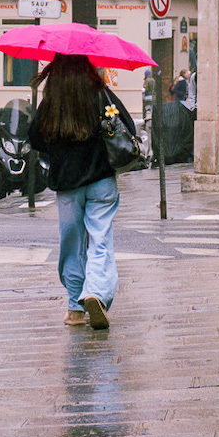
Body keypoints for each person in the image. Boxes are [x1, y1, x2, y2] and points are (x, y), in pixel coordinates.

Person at [28, 54, 135, 330]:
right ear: (88, 65)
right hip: (101, 180)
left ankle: (75, 308)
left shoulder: (53, 98)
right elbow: (128, 126)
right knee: (100, 240)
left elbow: (35, 137)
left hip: (67, 183)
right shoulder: (100, 93)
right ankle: (96, 293)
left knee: (72, 244)